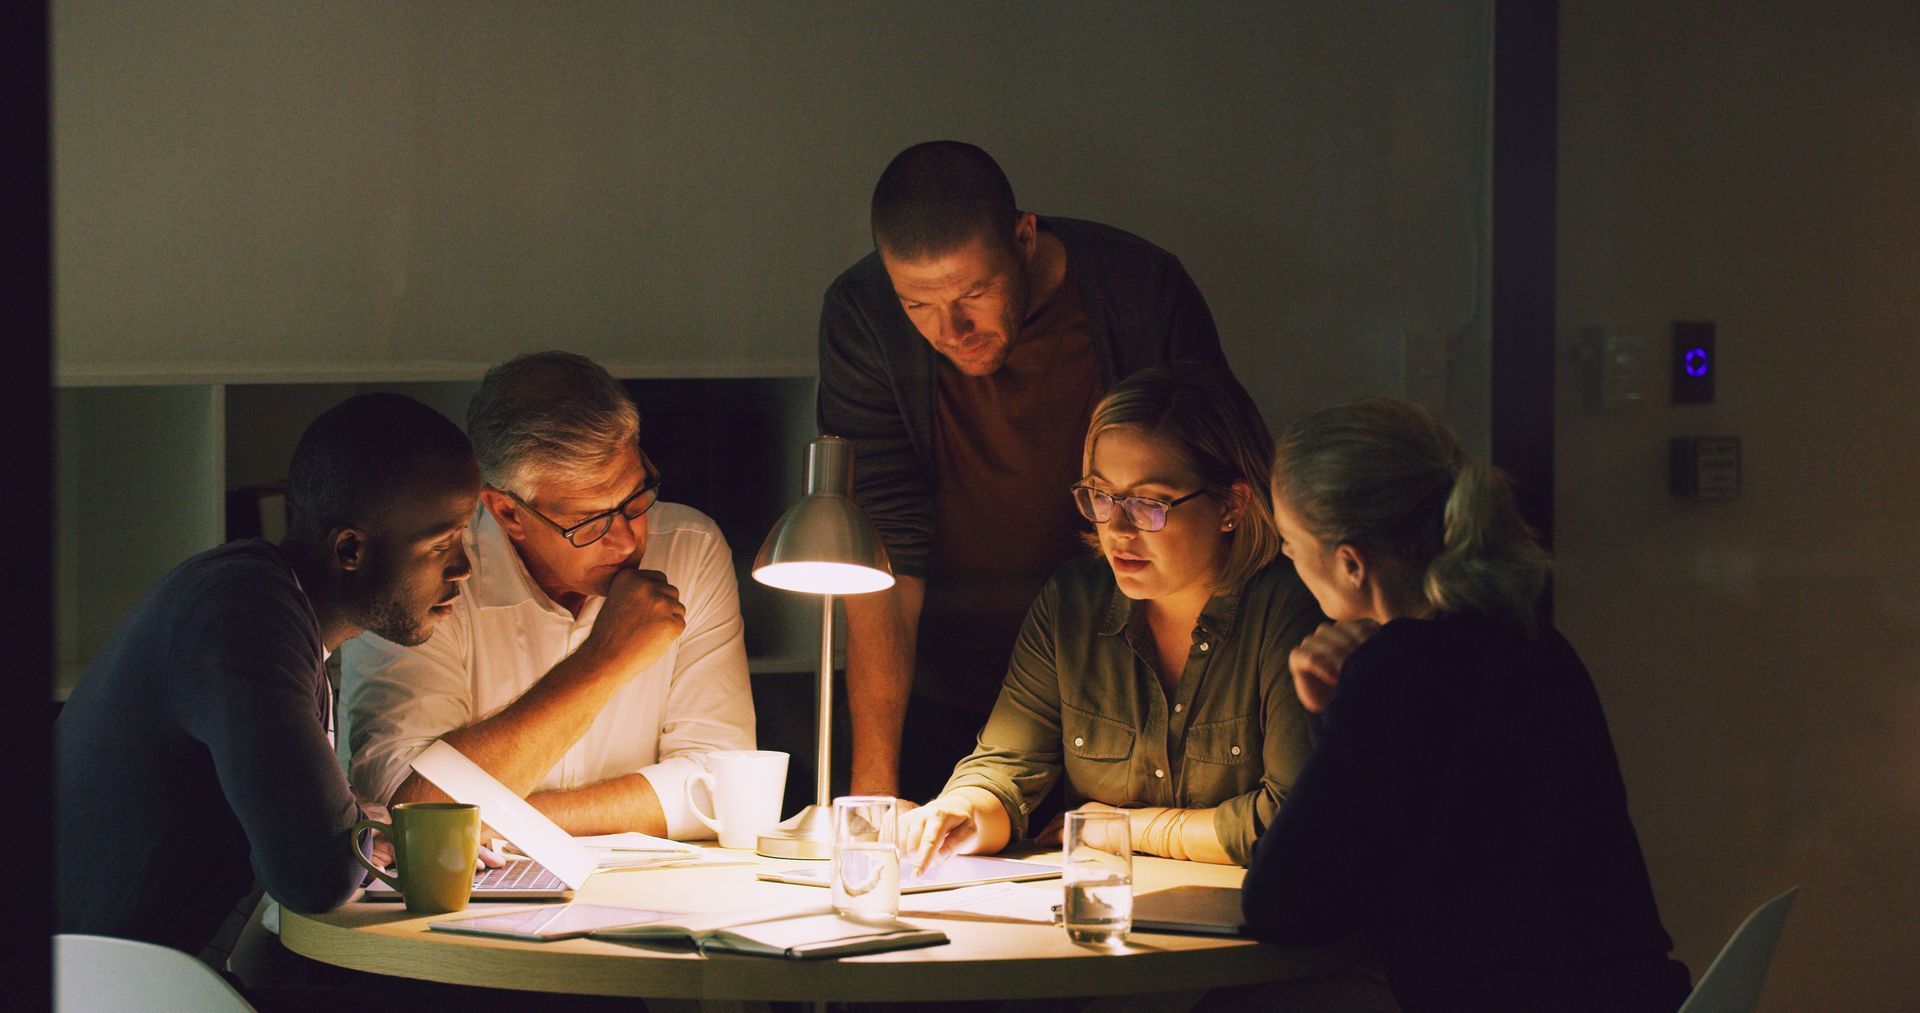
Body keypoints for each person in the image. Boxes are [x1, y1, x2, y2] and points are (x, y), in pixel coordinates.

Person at [1247, 397, 1693, 1011]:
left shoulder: (1399, 670)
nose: (1287, 558)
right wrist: (1336, 712)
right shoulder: (1531, 639)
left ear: (1350, 563)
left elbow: (1282, 907)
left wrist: (1338, 716)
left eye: (1292, 543)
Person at [820, 140, 1233, 803]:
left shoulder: (1139, 292)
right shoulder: (862, 316)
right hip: (941, 680)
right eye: (917, 305)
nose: (950, 328)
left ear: (1024, 237)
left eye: (974, 292)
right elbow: (883, 554)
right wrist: (872, 791)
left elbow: (1203, 504)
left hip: (1119, 684)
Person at [55, 392, 480, 960]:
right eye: (442, 544)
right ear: (350, 549)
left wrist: (370, 828)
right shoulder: (246, 616)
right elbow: (315, 876)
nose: (465, 568)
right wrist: (359, 837)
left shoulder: (265, 603)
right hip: (104, 984)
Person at [899, 364, 1320, 871]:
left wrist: (1130, 829)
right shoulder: (1073, 604)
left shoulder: (1290, 610)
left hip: (1253, 927)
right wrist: (962, 809)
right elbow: (1006, 770)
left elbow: (1296, 823)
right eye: (1101, 495)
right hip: (1107, 917)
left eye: (1148, 503)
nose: (1117, 528)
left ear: (1231, 505)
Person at [342, 352, 754, 840]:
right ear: (507, 513)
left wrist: (496, 821)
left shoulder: (691, 546)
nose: (627, 541)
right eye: (588, 521)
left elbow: (722, 787)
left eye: (635, 498)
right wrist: (605, 660)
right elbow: (415, 812)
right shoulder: (423, 576)